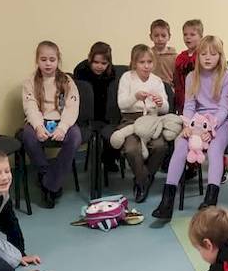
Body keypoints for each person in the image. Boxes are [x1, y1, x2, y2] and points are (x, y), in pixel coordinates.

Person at [153, 35, 228, 219]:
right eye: (203, 54)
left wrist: (210, 128)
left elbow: (224, 108)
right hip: (196, 121)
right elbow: (189, 106)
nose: (207, 58)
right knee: (180, 145)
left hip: (221, 122)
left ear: (220, 56)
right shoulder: (191, 77)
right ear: (198, 56)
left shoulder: (227, 76)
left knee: (214, 150)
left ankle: (211, 199)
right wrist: (187, 125)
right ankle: (167, 201)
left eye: (213, 54)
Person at [20, 41, 81, 208]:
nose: (48, 63)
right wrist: (38, 126)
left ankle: (50, 184)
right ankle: (46, 173)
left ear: (58, 60)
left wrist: (63, 127)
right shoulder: (30, 82)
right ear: (37, 60)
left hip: (62, 121)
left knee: (75, 137)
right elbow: (30, 106)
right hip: (40, 120)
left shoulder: (66, 81)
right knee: (28, 136)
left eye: (52, 60)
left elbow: (72, 107)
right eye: (43, 59)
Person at [115, 44, 169, 202]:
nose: (146, 66)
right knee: (131, 149)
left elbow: (165, 109)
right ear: (134, 63)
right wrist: (135, 97)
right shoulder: (127, 78)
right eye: (142, 62)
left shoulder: (157, 81)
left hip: (152, 120)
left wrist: (160, 103)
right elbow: (122, 104)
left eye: (149, 62)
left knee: (160, 146)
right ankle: (143, 179)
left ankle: (143, 178)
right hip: (130, 120)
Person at [73, 41, 119, 172]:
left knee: (115, 128)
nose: (99, 66)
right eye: (96, 62)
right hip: (85, 113)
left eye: (104, 63)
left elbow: (112, 96)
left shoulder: (112, 73)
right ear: (90, 59)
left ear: (109, 62)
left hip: (105, 111)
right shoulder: (81, 71)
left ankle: (109, 159)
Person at [173, 19, 203, 114]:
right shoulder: (180, 58)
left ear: (201, 37)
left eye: (192, 34)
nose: (188, 37)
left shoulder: (203, 56)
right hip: (183, 98)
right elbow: (177, 81)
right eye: (185, 34)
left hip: (200, 99)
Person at [149, 18, 176, 86]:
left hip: (168, 87)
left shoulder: (175, 57)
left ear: (169, 36)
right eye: (156, 35)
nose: (160, 39)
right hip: (150, 87)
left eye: (163, 36)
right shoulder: (147, 55)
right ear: (151, 37)